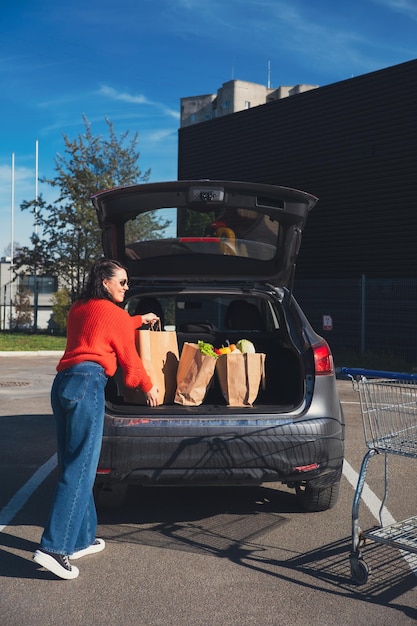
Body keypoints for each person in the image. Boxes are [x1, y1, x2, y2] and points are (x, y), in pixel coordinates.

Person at [33, 259, 159, 580]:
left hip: (63, 384)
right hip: (89, 383)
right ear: (105, 282)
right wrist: (149, 387)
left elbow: (101, 326)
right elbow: (131, 369)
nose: (127, 287)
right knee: (82, 467)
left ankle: (82, 539)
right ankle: (54, 548)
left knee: (74, 463)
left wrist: (136, 320)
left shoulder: (79, 307)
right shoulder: (114, 315)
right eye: (123, 282)